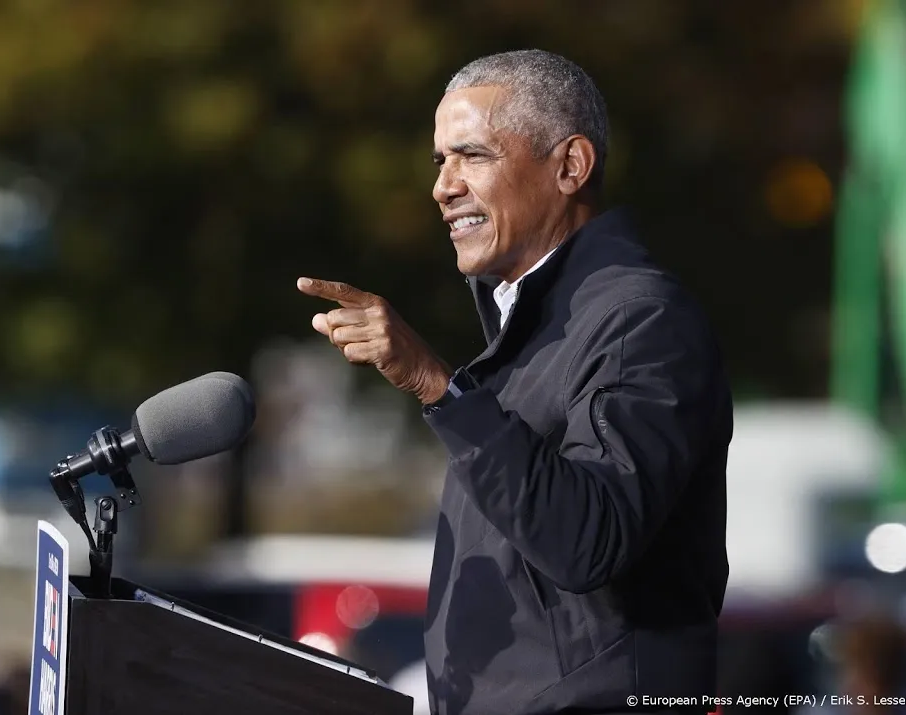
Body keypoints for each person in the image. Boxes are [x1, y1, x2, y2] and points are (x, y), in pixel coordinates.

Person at [298, 49, 732, 715]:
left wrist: (440, 387)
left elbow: (589, 538)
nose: (442, 186)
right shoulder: (533, 331)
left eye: (471, 155)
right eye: (439, 161)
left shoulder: (640, 319)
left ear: (570, 166)